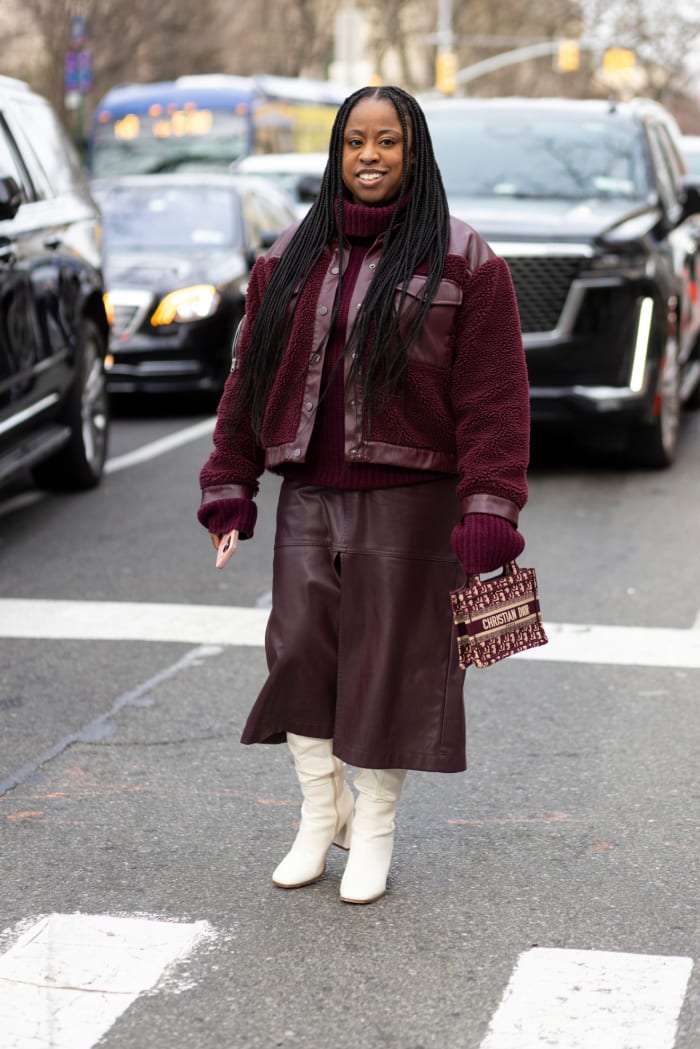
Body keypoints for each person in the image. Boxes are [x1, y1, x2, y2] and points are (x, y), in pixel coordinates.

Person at [197, 85, 530, 905]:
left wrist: (491, 506)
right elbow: (249, 378)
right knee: (301, 652)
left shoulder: (463, 259)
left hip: (415, 496)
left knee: (394, 665)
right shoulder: (287, 258)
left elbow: (493, 393)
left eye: (387, 141)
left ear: (413, 152)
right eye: (355, 142)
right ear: (336, 153)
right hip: (309, 487)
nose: (370, 156)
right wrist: (229, 482)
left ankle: (374, 824)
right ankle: (321, 810)